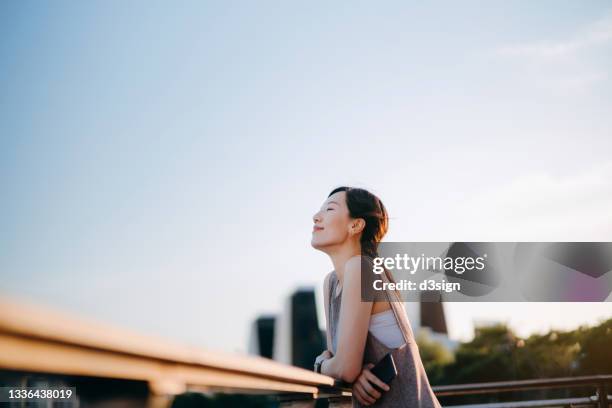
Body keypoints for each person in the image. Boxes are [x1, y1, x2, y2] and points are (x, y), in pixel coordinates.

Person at [311, 186, 442, 407]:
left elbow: (343, 368)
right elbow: (340, 361)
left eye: (330, 209)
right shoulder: (331, 283)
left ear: (356, 225)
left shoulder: (362, 268)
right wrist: (351, 372)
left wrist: (319, 365)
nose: (316, 216)